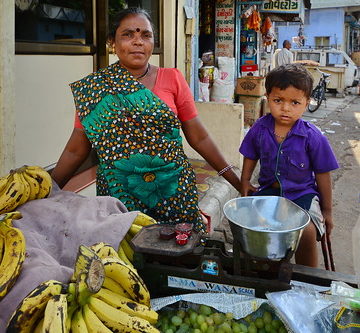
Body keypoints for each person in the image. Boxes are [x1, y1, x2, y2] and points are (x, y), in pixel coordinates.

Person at [51, 7, 241, 233]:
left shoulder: (173, 78)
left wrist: (236, 181)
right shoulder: (95, 90)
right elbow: (75, 150)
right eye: (128, 34)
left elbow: (199, 137)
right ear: (113, 42)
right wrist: (48, 190)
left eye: (145, 35)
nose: (138, 41)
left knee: (178, 258)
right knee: (124, 258)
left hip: (174, 192)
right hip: (119, 197)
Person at [239, 64, 339, 267]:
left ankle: (307, 278)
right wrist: (245, 181)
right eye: (278, 100)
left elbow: (322, 174)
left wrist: (327, 211)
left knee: (307, 232)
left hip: (302, 195)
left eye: (295, 102)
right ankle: (265, 273)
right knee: (257, 232)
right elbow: (250, 155)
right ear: (268, 97)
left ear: (306, 102)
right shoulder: (259, 128)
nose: (285, 108)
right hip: (268, 193)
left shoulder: (312, 137)